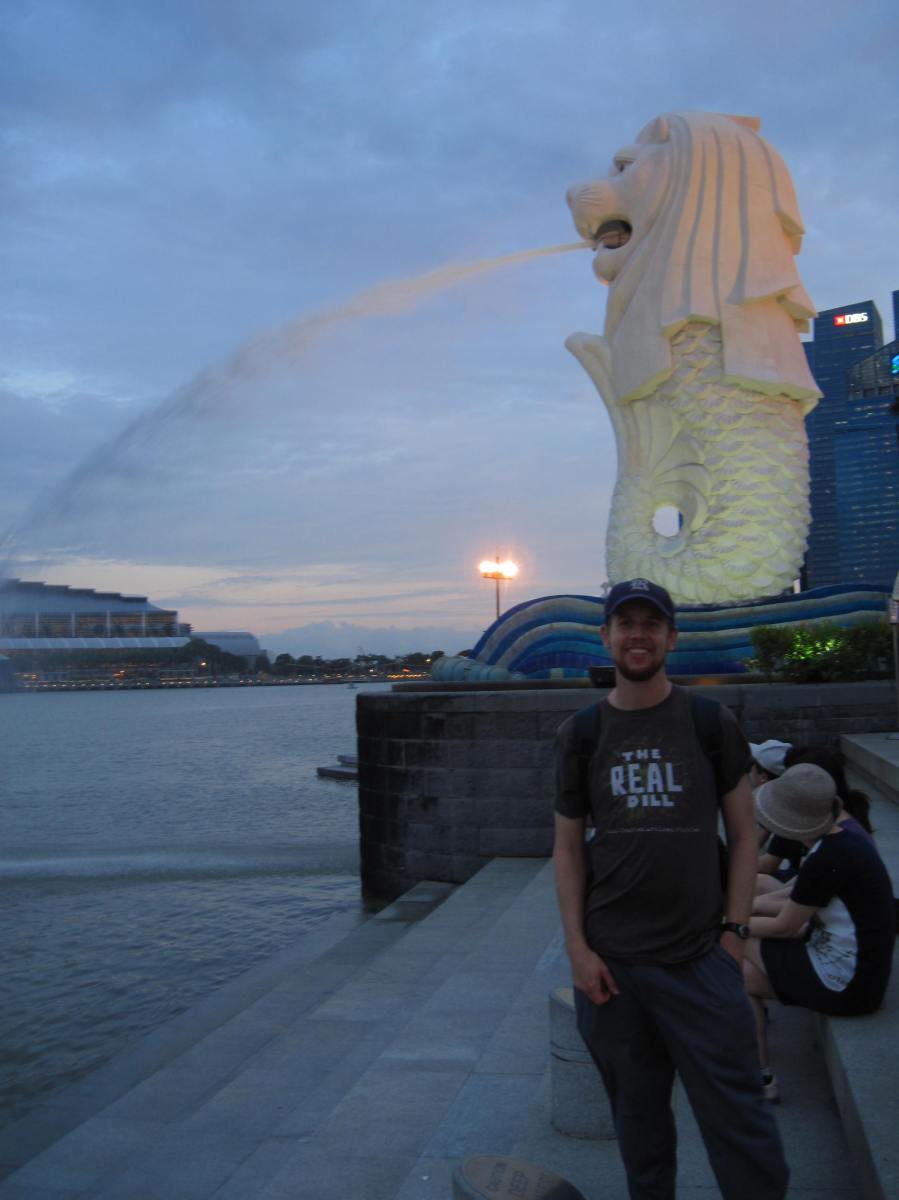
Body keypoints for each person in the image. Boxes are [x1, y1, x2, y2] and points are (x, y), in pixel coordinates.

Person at [553, 577, 789, 1200]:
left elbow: (745, 835)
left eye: (651, 624)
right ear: (605, 636)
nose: (639, 635)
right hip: (613, 972)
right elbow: (568, 847)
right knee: (640, 1132)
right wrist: (578, 949)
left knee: (743, 1132)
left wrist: (734, 936)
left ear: (671, 637)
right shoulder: (581, 733)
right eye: (626, 623)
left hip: (700, 960)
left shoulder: (709, 722)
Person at [744, 762, 895, 1101]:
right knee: (741, 972)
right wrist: (741, 912)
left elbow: (785, 926)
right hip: (860, 977)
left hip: (845, 983)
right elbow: (793, 899)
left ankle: (759, 1074)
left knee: (732, 945)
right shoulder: (840, 841)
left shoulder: (828, 857)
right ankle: (761, 1077)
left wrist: (727, 923)